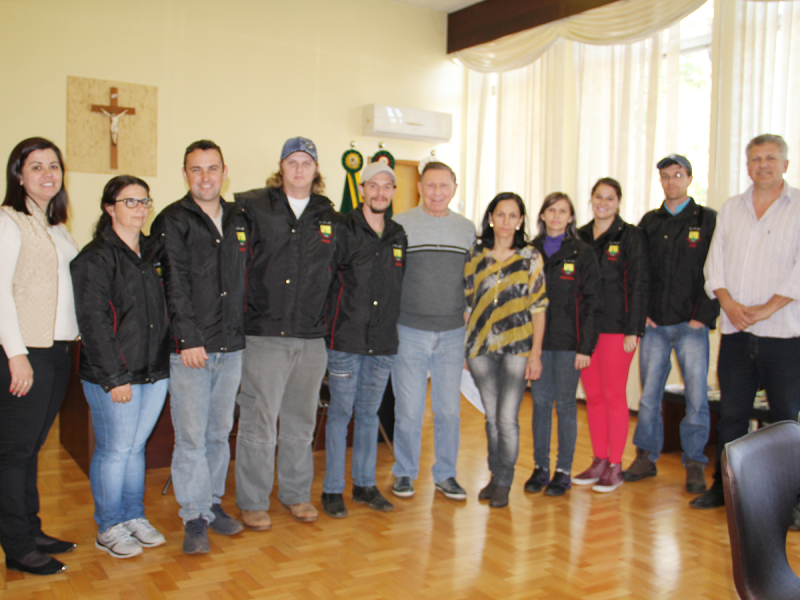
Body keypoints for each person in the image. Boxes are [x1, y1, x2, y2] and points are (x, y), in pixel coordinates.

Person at [151, 140, 250, 554]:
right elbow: (172, 283)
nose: (205, 177)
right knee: (191, 436)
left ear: (225, 172)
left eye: (212, 168)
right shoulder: (173, 219)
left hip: (232, 346)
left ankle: (211, 503)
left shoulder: (240, 219)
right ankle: (193, 515)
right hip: (192, 349)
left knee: (219, 432)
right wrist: (188, 339)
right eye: (196, 169)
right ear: (185, 174)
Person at [234, 137, 340, 528]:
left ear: (316, 169)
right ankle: (252, 500)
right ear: (281, 167)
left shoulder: (329, 215)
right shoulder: (252, 206)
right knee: (259, 420)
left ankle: (296, 494)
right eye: (292, 162)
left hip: (311, 338)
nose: (299, 169)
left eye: (306, 162)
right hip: (264, 334)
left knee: (301, 420)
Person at [692, 134, 800, 509]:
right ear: (748, 166)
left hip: (783, 335)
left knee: (785, 421)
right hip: (736, 332)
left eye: (770, 158)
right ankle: (725, 489)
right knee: (732, 418)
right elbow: (714, 265)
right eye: (755, 159)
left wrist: (767, 308)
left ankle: (791, 500)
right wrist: (728, 303)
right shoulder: (731, 208)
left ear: (785, 164)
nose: (762, 165)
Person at [71, 176, 170, 558]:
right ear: (109, 208)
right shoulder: (95, 257)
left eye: (144, 201)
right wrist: (115, 378)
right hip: (114, 376)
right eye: (130, 201)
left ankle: (133, 516)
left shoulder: (154, 253)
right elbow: (94, 323)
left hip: (153, 372)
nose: (139, 208)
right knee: (115, 450)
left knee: (134, 448)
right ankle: (109, 525)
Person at [0, 138, 79, 575]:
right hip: (26, 352)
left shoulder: (56, 226)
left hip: (58, 351)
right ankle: (16, 546)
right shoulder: (9, 221)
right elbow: (0, 293)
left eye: (54, 165)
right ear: (19, 175)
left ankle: (31, 530)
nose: (48, 174)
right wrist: (16, 354)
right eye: (36, 166)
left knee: (32, 448)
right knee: (14, 453)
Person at [624, 155, 718, 495]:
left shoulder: (707, 219)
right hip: (655, 326)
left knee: (696, 398)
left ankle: (694, 463)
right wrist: (643, 313)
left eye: (677, 175)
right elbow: (637, 272)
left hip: (692, 325)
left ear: (689, 178)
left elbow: (718, 268)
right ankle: (645, 457)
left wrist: (703, 315)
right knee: (649, 397)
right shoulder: (650, 222)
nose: (671, 181)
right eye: (665, 176)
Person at [320, 162, 407, 519]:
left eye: (387, 187)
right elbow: (325, 281)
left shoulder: (398, 235)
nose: (380, 193)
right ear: (362, 190)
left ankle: (365, 485)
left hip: (383, 341)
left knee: (369, 415)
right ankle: (332, 489)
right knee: (340, 414)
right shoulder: (342, 228)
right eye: (373, 186)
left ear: (393, 193)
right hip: (345, 339)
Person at [390, 161, 476, 501]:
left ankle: (446, 475)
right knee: (408, 411)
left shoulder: (466, 229)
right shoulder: (400, 224)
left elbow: (471, 281)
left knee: (449, 412)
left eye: (443, 186)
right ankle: (404, 472)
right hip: (409, 331)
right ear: (419, 188)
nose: (437, 192)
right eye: (430, 185)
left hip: (452, 334)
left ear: (454, 189)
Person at [464, 193, 548, 508]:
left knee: (507, 419)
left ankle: (504, 481)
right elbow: (468, 304)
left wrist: (536, 353)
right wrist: (466, 346)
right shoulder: (476, 253)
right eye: (500, 214)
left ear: (521, 221)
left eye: (513, 216)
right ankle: (495, 474)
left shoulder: (530, 257)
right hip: (481, 349)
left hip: (518, 348)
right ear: (490, 217)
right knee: (491, 418)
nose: (506, 222)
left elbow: (539, 308)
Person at [573, 178, 648, 492]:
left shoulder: (631, 236)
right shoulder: (578, 236)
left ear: (618, 202)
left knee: (613, 395)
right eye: (598, 197)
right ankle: (599, 460)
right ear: (591, 199)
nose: (603, 203)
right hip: (586, 331)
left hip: (618, 330)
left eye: (610, 198)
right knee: (594, 396)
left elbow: (639, 283)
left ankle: (615, 465)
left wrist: (634, 328)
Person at [526, 192, 601, 497]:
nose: (556, 216)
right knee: (540, 404)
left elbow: (593, 302)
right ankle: (540, 468)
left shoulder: (583, 252)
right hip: (537, 344)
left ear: (570, 218)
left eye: (562, 211)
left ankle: (563, 471)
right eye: (551, 210)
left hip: (569, 343)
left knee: (566, 406)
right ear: (542, 215)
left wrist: (586, 348)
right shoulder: (528, 251)